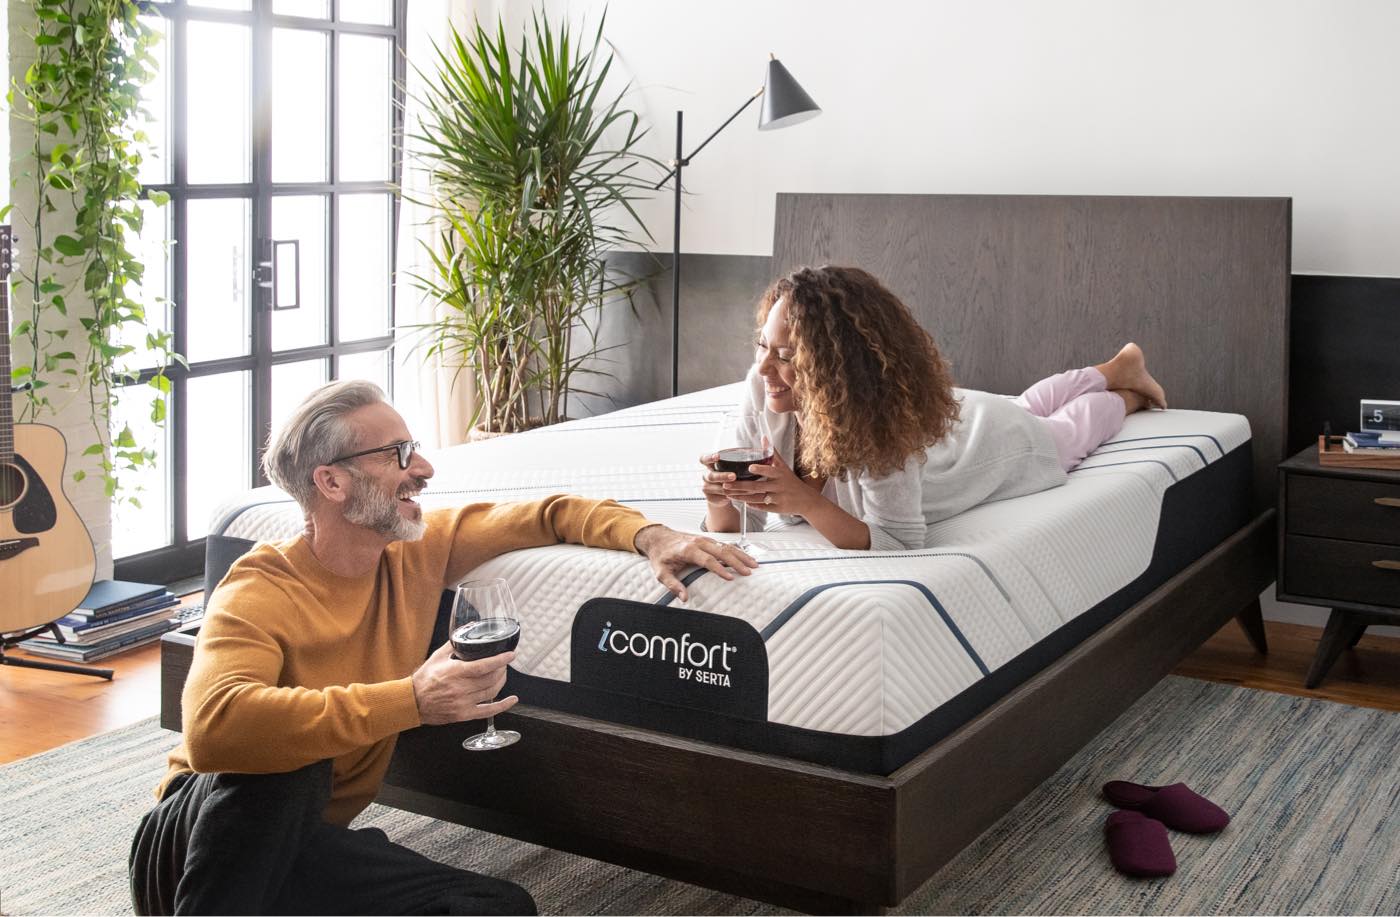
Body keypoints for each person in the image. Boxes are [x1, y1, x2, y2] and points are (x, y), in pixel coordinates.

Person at [129, 380, 756, 916]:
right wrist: (411, 700)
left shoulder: (421, 549)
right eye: (398, 454)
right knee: (288, 765)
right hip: (194, 846)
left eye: (416, 449)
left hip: (303, 846)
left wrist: (650, 535)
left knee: (499, 908)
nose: (423, 468)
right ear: (331, 481)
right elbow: (216, 731)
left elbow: (552, 514)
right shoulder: (262, 584)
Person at [699, 265, 1168, 551]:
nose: (763, 367)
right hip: (957, 425)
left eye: (786, 356)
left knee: (1059, 434)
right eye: (763, 345)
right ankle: (1116, 365)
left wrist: (804, 501)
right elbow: (742, 523)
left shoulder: (875, 421)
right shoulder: (764, 390)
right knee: (1028, 404)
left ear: (833, 371)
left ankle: (1124, 392)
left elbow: (898, 541)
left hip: (990, 445)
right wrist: (719, 498)